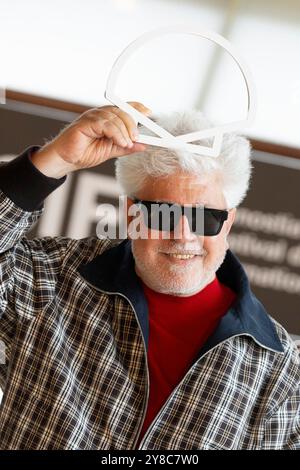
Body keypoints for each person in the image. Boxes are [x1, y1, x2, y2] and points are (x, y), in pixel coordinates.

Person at [0, 103, 299, 450]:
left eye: (206, 218)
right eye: (165, 213)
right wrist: (52, 161)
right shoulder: (52, 277)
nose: (183, 235)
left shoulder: (277, 370)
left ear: (228, 223)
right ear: (131, 213)